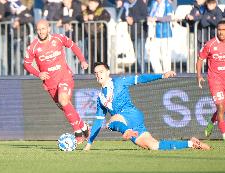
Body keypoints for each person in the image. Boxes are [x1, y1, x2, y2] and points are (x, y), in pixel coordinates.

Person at [83, 62, 211, 151]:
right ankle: (192, 143)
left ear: (108, 72)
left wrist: (161, 75)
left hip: (131, 115)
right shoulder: (100, 98)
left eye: (101, 71)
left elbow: (141, 78)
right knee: (154, 146)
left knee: (111, 122)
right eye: (96, 73)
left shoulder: (119, 81)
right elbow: (98, 122)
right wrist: (88, 144)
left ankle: (125, 131)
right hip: (131, 124)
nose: (98, 75)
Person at [23, 19, 89, 144]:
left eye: (43, 28)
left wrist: (82, 60)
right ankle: (84, 127)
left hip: (65, 77)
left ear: (49, 29)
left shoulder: (58, 38)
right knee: (64, 106)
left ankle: (78, 133)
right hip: (50, 84)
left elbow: (73, 46)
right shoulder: (33, 47)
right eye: (39, 29)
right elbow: (26, 65)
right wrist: (39, 73)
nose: (41, 32)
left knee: (63, 100)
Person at [148, 0, 174, 73]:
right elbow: (150, 15)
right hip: (154, 33)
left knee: (165, 55)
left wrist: (157, 18)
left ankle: (167, 72)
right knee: (152, 54)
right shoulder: (153, 3)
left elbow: (169, 17)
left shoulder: (167, 4)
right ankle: (158, 72)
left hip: (165, 33)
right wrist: (149, 18)